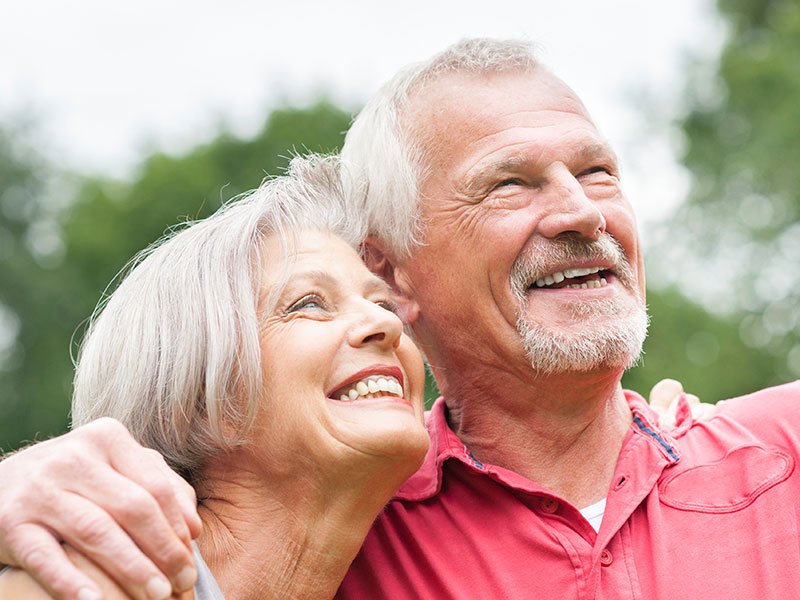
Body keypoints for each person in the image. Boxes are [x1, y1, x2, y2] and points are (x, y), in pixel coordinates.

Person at [0, 37, 779, 599]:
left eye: (597, 170)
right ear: (397, 271)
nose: (580, 211)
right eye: (509, 183)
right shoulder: (358, 520)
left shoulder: (777, 452)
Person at [0, 155, 431, 599]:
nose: (390, 326)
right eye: (309, 303)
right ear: (203, 402)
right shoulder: (81, 585)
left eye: (382, 305)